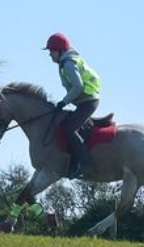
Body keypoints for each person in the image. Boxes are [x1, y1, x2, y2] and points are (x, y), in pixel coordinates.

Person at [43, 32, 101, 178]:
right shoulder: (65, 62)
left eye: (52, 52)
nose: (50, 55)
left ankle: (86, 165)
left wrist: (64, 101)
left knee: (70, 129)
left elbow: (78, 86)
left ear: (60, 51)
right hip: (83, 102)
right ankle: (74, 163)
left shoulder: (68, 64)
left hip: (88, 102)